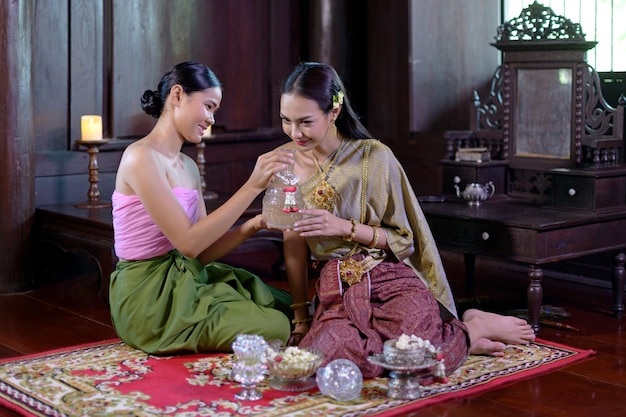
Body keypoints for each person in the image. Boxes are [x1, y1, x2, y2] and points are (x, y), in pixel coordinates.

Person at [275, 62, 536, 378]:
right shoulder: (286, 165)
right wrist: (301, 320)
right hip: (336, 286)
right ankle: (465, 335)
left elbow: (403, 238)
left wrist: (342, 227)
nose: (294, 132)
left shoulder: (374, 157)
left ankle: (471, 325)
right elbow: (293, 247)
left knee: (408, 353)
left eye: (305, 122)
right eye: (286, 121)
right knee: (327, 358)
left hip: (387, 274)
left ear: (334, 111)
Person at [109, 61, 296, 354]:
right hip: (146, 299)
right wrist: (253, 186)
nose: (211, 118)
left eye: (215, 111)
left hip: (185, 278)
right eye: (208, 106)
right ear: (178, 95)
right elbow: (187, 243)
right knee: (278, 326)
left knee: (290, 308)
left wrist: (254, 225)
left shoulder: (188, 166)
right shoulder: (140, 157)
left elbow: (202, 251)